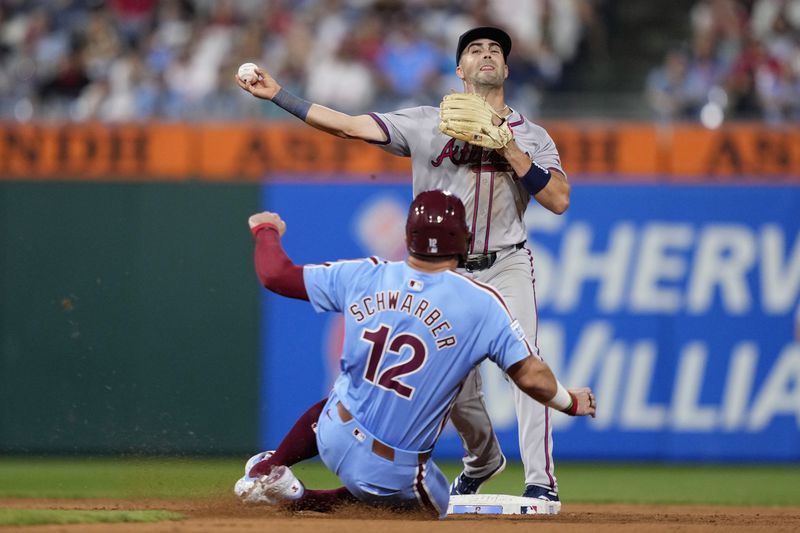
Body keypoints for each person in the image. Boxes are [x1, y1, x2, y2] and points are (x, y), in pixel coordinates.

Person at [237, 26, 572, 502]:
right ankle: (484, 460)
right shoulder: (425, 122)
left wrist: (508, 148)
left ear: (506, 67)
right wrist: (279, 96)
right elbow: (349, 126)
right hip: (445, 270)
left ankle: (541, 481)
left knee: (527, 364)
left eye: (495, 49)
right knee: (454, 384)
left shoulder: (532, 136)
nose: (486, 54)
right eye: (474, 49)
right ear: (460, 69)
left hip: (506, 262)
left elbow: (558, 199)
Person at [234, 190, 596, 518]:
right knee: (436, 508)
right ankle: (302, 499)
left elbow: (275, 276)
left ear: (408, 236)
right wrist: (569, 402)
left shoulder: (364, 274)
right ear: (465, 241)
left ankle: (270, 468)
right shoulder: (479, 303)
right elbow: (530, 376)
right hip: (390, 472)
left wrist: (266, 228)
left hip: (331, 434)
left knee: (341, 398)